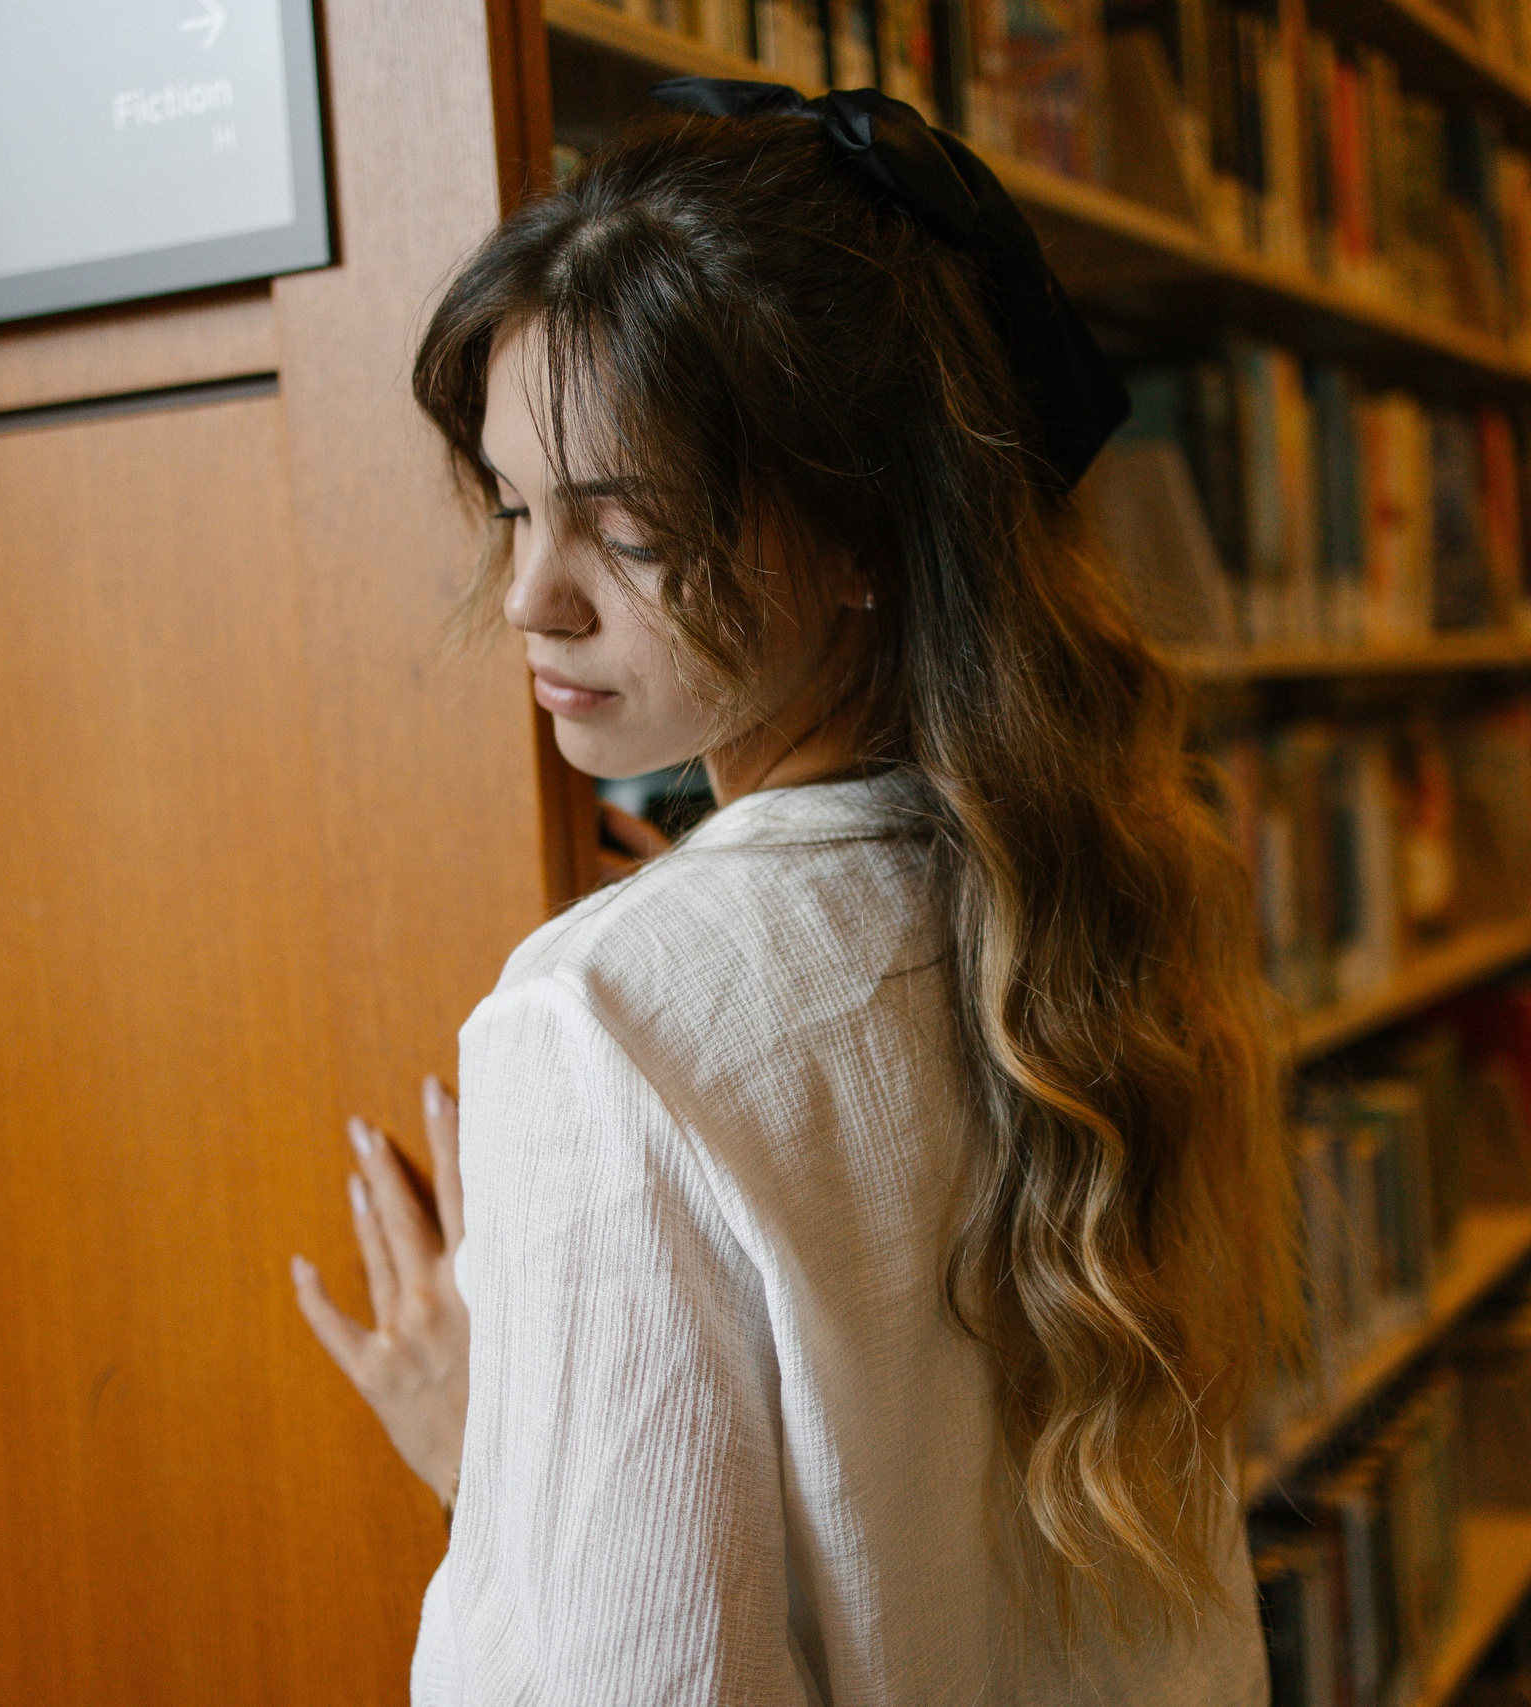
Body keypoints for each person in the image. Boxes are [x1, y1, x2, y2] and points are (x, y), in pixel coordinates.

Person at [289, 78, 1296, 1703]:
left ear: (860, 536)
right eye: (512, 506)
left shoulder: (599, 1018)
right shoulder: (1098, 904)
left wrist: (510, 1481)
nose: (535, 598)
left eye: (626, 527)